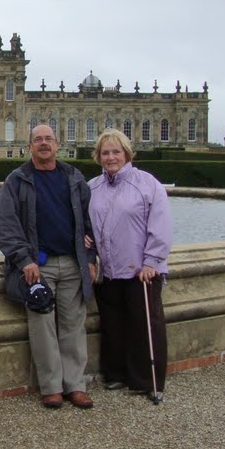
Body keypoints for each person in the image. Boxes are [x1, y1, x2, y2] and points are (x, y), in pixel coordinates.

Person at [0, 124, 97, 410]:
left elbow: (90, 224)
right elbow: (5, 226)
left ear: (57, 143)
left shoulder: (74, 177)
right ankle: (51, 387)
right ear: (30, 146)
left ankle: (75, 385)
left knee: (74, 325)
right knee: (42, 326)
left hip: (73, 262)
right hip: (39, 266)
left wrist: (90, 259)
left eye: (48, 139)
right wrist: (24, 259)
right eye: (38, 140)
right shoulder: (17, 180)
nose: (43, 144)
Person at [87, 128, 172, 400]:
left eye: (116, 151)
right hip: (107, 270)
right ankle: (116, 374)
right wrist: (85, 239)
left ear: (126, 153)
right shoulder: (92, 187)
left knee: (144, 325)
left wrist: (153, 261)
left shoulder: (147, 184)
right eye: (105, 152)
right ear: (98, 156)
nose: (111, 157)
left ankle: (147, 379)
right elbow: (85, 223)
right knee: (113, 325)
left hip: (139, 270)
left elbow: (160, 226)